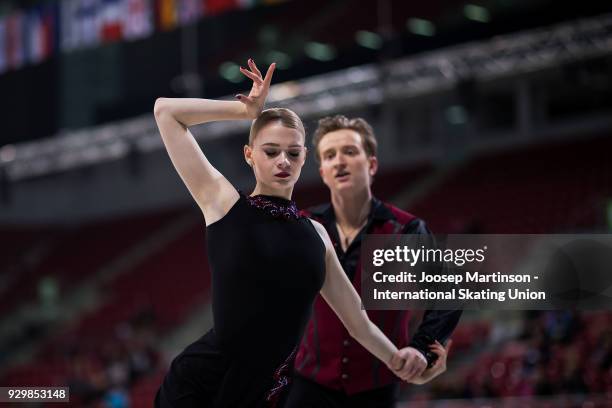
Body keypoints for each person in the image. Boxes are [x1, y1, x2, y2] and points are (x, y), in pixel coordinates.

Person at [152, 59, 449, 408]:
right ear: (250, 155)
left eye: (293, 153)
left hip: (268, 392)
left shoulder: (318, 236)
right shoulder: (223, 203)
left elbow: (358, 323)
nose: (283, 161)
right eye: (271, 151)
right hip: (202, 385)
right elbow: (165, 112)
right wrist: (244, 110)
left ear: (305, 157)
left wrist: (400, 361)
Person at [283, 115, 462, 408]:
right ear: (323, 172)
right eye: (330, 155)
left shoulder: (407, 230)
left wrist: (422, 349)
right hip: (308, 385)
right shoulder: (301, 227)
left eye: (350, 152)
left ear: (372, 164)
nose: (339, 161)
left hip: (377, 388)